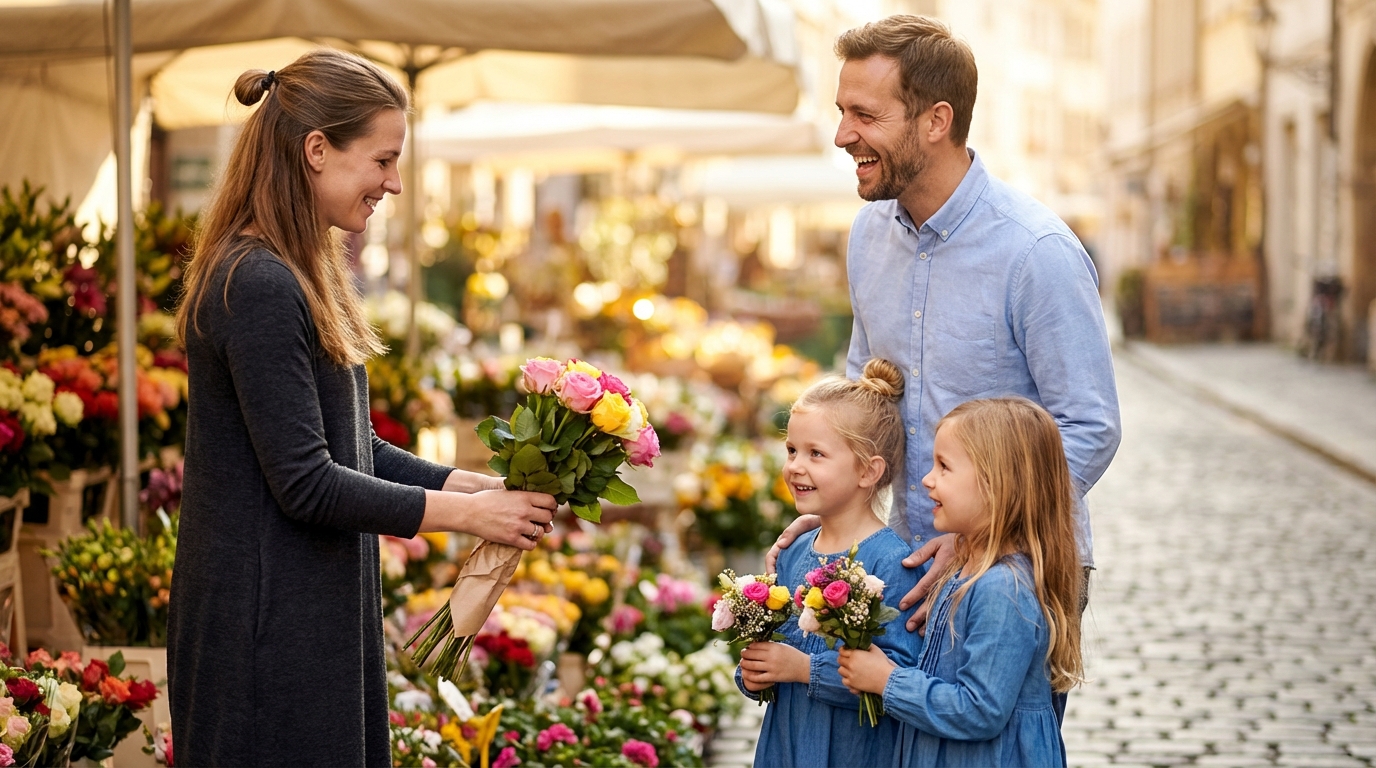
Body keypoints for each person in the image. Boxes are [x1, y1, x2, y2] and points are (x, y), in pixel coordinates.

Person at [169, 50, 557, 767]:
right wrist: (468, 517)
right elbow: (306, 481)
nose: (395, 183)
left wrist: (470, 486)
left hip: (303, 608)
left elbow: (353, 447)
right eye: (382, 159)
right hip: (263, 624)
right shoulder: (256, 281)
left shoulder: (301, 267)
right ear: (317, 150)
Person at [768, 14, 1119, 710]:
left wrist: (987, 539)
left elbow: (1088, 426)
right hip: (901, 563)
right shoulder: (869, 236)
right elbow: (869, 403)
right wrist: (841, 502)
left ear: (936, 120)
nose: (843, 136)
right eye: (842, 112)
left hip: (1011, 578)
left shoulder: (1035, 253)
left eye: (865, 115)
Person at [837, 398, 1084, 767]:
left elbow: (980, 709)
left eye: (944, 467)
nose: (927, 479)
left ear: (995, 484)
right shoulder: (967, 570)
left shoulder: (1003, 589)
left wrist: (889, 681)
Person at [737, 359, 923, 768]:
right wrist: (755, 671)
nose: (795, 467)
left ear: (867, 471)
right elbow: (780, 646)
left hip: (853, 751)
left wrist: (805, 669)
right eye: (791, 450)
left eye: (816, 454)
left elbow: (899, 676)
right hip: (787, 744)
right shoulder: (794, 550)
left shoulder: (892, 561)